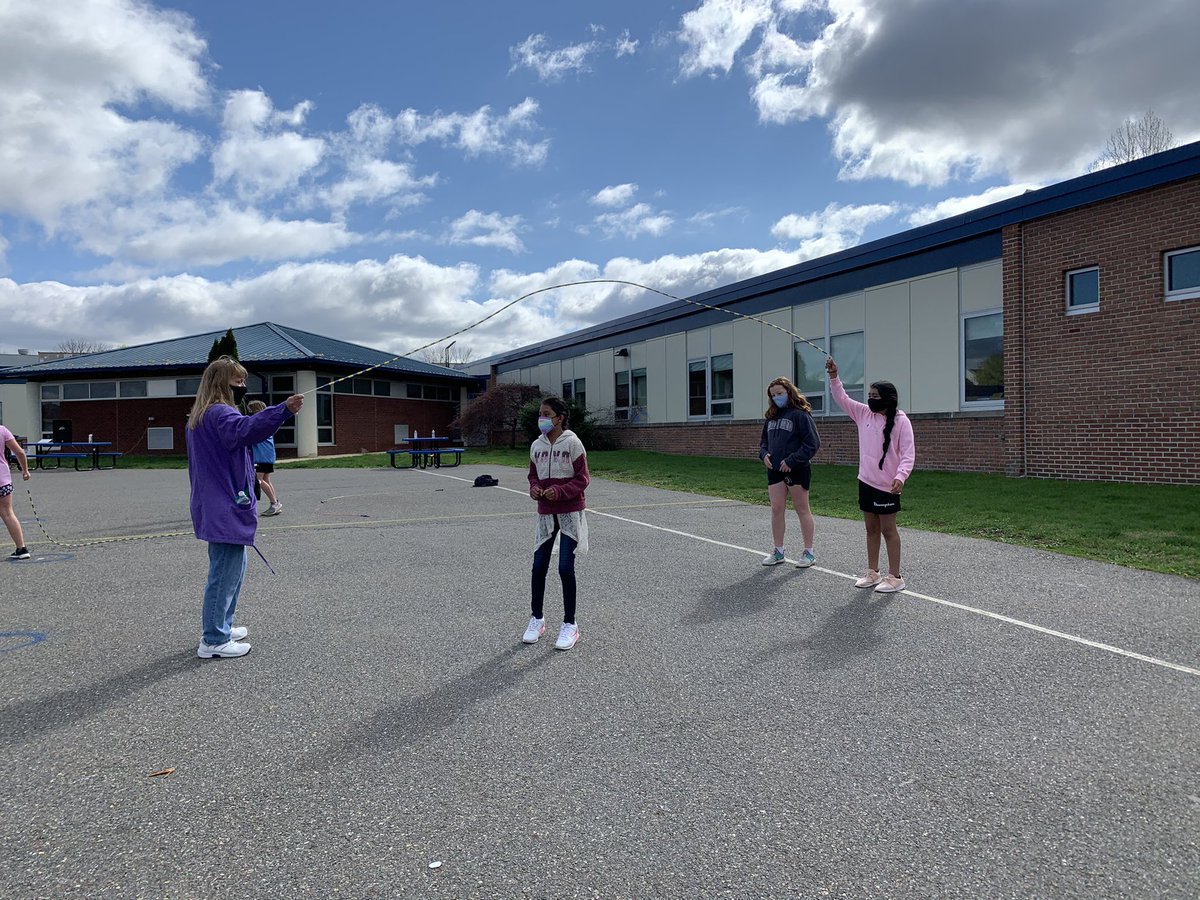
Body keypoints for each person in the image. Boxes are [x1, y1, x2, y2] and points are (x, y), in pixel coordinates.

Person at [186, 356, 303, 659]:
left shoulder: (204, 415)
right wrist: (283, 410)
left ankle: (222, 624)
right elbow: (246, 430)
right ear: (220, 384)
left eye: (243, 381)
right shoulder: (220, 414)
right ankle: (213, 638)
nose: (242, 387)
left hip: (217, 503)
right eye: (237, 382)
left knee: (233, 567)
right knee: (225, 571)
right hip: (222, 505)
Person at [825, 356, 915, 593]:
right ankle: (872, 573)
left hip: (888, 486)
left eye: (875, 396)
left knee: (888, 529)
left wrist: (901, 476)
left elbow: (908, 454)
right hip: (865, 481)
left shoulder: (901, 422)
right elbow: (842, 399)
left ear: (888, 399)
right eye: (869, 396)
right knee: (870, 528)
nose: (870, 400)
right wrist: (834, 377)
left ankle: (895, 577)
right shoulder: (863, 414)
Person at [523, 396, 590, 651]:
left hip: (569, 512)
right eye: (540, 413)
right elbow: (532, 474)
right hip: (545, 514)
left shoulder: (573, 443)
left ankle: (570, 625)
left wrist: (560, 492)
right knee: (539, 565)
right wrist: (535, 488)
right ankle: (536, 619)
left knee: (564, 567)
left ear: (559, 418)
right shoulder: (536, 446)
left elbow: (583, 479)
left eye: (546, 414)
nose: (542, 418)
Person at [758, 376, 821, 568]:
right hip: (775, 470)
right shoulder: (771, 417)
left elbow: (812, 444)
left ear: (789, 392)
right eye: (773, 395)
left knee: (802, 509)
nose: (777, 397)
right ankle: (778, 551)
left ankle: (808, 552)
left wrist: (792, 460)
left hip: (797, 470)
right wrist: (764, 455)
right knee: (777, 509)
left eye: (780, 393)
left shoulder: (801, 415)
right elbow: (763, 443)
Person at [246, 400, 282, 516]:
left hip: (261, 457)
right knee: (266, 479)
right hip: (267, 456)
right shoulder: (266, 423)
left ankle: (274, 503)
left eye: (250, 411)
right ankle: (276, 503)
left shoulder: (259, 424)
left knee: (258, 480)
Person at [1, 426, 32, 560]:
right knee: (8, 513)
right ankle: (21, 548)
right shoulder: (2, 430)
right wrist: (25, 470)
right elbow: (19, 452)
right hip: (2, 479)